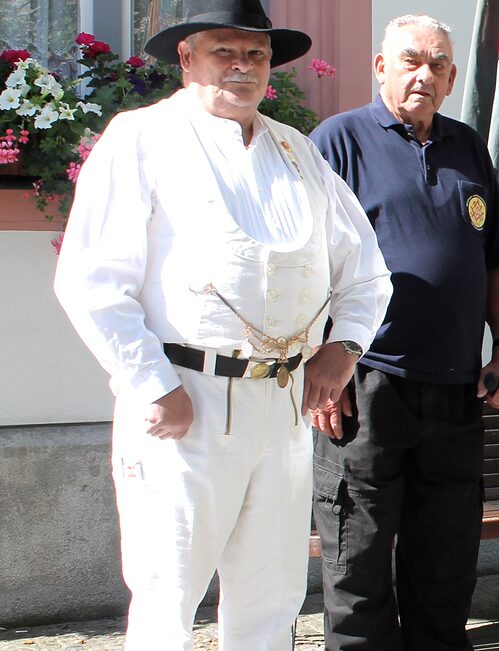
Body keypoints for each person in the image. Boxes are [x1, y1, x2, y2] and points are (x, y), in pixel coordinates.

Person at [51, 0, 392, 648]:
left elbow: (368, 273)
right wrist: (153, 382)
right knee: (168, 594)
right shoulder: (140, 140)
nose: (242, 66)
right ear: (186, 57)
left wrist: (343, 349)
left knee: (271, 598)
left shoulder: (295, 151)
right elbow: (93, 279)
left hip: (283, 408)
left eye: (256, 54)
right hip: (187, 402)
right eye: (224, 51)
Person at [307, 14, 499, 649]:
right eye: (410, 60)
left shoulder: (467, 147)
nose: (423, 75)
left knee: (445, 568)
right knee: (359, 567)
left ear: (453, 77)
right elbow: (307, 264)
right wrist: (326, 364)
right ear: (380, 66)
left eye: (437, 65)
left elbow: (495, 261)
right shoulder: (336, 142)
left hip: (458, 390)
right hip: (369, 386)